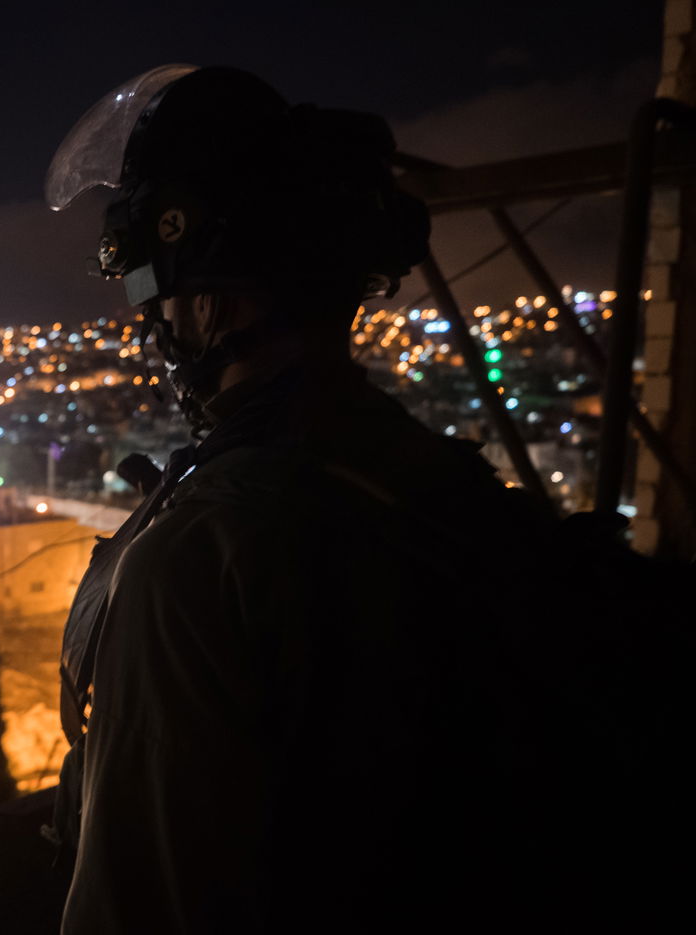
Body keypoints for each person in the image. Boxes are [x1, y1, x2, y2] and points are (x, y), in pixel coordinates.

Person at [43, 65, 609, 933]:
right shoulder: (435, 477)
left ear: (215, 296)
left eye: (149, 289)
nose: (147, 322)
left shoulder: (198, 555)